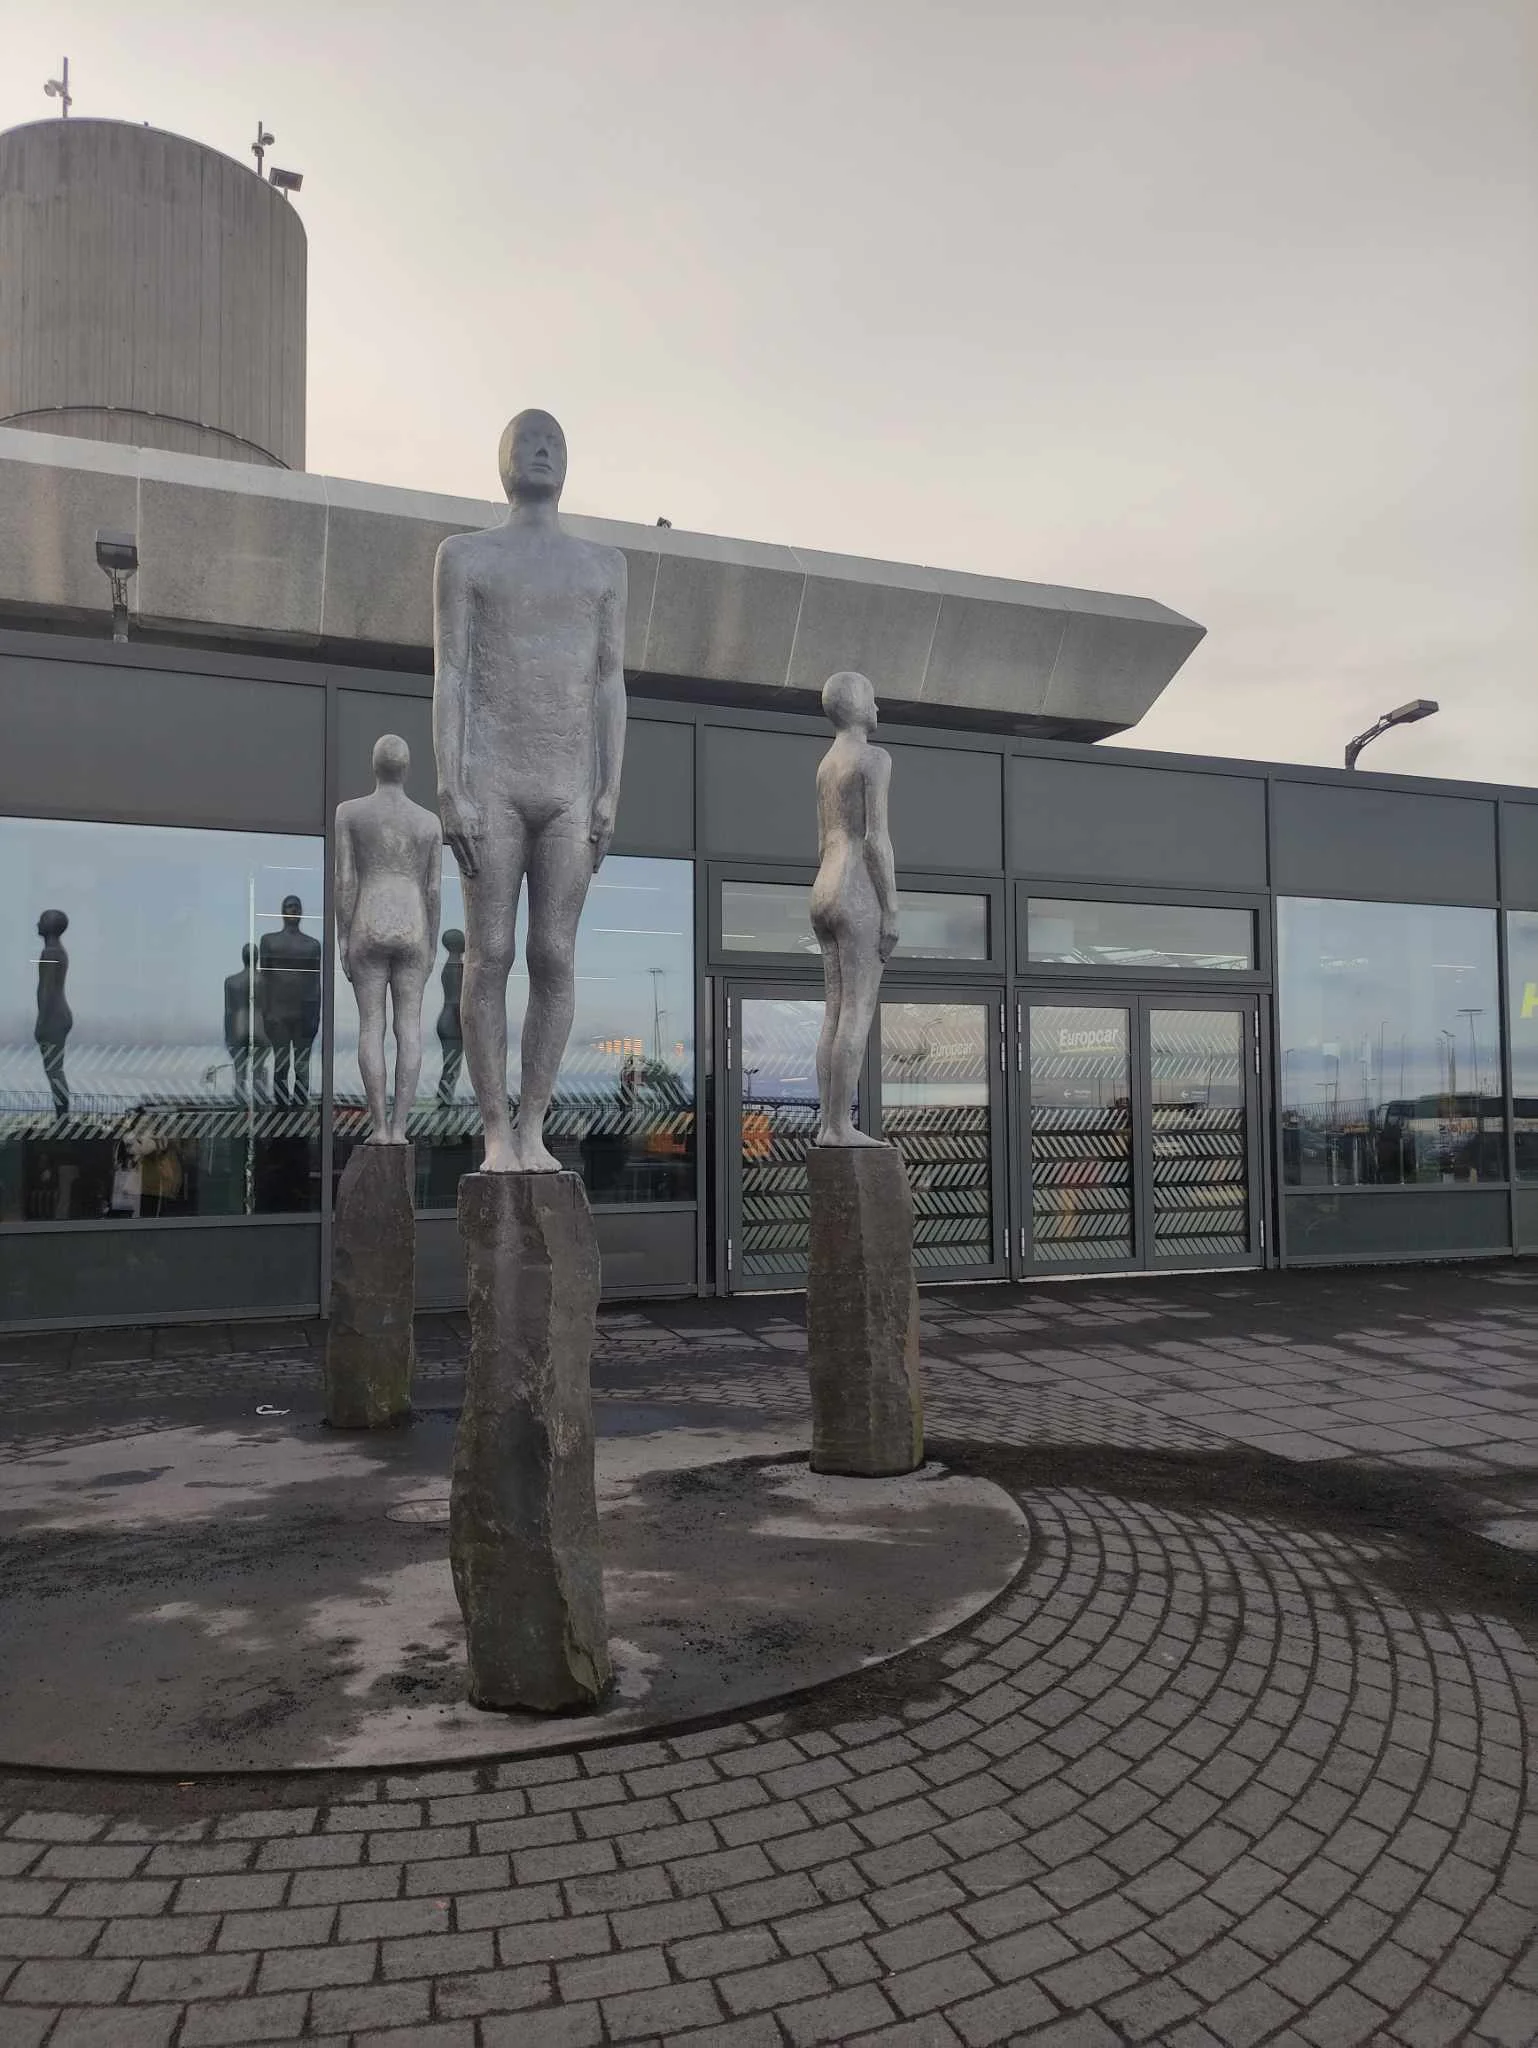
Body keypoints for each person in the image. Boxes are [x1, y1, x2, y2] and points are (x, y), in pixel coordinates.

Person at [432, 409, 627, 1171]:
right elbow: (450, 673)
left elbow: (611, 681)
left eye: (556, 441)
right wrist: (450, 784)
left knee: (554, 953)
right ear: (503, 460)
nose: (543, 450)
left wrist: (610, 788)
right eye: (528, 440)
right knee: (491, 953)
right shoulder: (466, 557)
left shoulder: (603, 565)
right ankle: (492, 1129)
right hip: (495, 779)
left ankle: (533, 1124)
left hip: (569, 786)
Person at [335, 734, 443, 1142]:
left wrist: (344, 937)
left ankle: (379, 1126)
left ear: (374, 765)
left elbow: (345, 881)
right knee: (409, 1027)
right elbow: (433, 890)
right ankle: (400, 1128)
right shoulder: (428, 822)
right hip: (412, 922)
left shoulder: (350, 814)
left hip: (369, 919)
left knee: (371, 1026)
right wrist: (431, 942)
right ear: (407, 768)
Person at [810, 671, 900, 1146]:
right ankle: (840, 1125)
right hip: (856, 888)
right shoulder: (873, 758)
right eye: (874, 698)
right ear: (859, 705)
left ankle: (829, 1123)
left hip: (824, 883)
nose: (879, 707)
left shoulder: (827, 764)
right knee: (857, 1009)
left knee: (833, 1010)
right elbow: (876, 840)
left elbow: (824, 838)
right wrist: (891, 907)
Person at [258, 895, 322, 1108]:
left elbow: (315, 982)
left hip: (304, 1014)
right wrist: (265, 1013)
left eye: (296, 907)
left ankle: (300, 1105)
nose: (293, 910)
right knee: (282, 1064)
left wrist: (316, 1016)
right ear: (282, 911)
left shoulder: (312, 945)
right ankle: (282, 1107)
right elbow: (264, 980)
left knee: (302, 1066)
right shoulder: (269, 941)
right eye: (288, 907)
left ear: (301, 912)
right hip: (279, 1015)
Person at [34, 908, 72, 1120]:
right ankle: (62, 1116)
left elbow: (46, 991)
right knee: (55, 1070)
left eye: (41, 920)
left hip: (53, 1017)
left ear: (49, 925)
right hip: (59, 1016)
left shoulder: (50, 953)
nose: (37, 924)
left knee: (54, 1070)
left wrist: (41, 1022)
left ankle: (63, 1117)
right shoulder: (58, 951)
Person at [223, 943, 269, 1102]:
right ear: (257, 959)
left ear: (243, 958)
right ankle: (259, 1105)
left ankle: (239, 1107)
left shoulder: (231, 982)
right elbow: (271, 1011)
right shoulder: (266, 981)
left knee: (240, 1074)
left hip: (238, 1027)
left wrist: (228, 1037)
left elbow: (229, 1012)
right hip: (260, 1028)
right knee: (258, 1071)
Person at [435, 929, 466, 1110]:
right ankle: (444, 1102)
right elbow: (457, 1000)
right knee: (452, 1067)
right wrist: (462, 1024)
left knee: (450, 1066)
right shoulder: (457, 967)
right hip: (453, 1021)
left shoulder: (450, 965)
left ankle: (444, 1100)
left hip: (448, 1018)